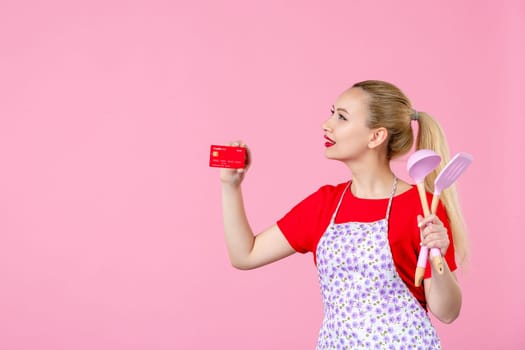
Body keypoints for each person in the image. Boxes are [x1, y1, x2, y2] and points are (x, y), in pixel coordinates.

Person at [219, 80, 467, 349]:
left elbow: (448, 312)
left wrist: (436, 254)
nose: (327, 124)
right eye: (332, 113)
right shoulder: (324, 205)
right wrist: (230, 187)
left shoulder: (421, 207)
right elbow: (246, 254)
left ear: (376, 136)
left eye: (341, 117)